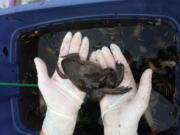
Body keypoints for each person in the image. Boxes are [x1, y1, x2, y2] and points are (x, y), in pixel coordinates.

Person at [34, 32, 152, 135]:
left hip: (84, 77)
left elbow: (65, 72)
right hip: (82, 76)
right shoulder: (68, 65)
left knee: (105, 82)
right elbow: (65, 71)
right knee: (106, 82)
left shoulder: (69, 68)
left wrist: (55, 126)